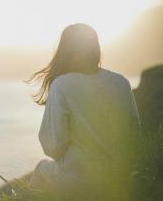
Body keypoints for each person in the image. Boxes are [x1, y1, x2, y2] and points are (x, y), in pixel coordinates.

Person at [26, 23, 141, 200]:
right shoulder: (121, 82)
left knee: (41, 169)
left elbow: (52, 146)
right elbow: (134, 133)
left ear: (64, 51)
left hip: (81, 181)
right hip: (120, 178)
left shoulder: (62, 85)